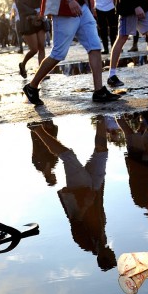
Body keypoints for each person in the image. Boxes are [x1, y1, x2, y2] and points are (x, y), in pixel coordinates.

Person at [22, 0, 121, 105]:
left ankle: (99, 91)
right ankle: (32, 87)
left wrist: (84, 4)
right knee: (58, 54)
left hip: (81, 7)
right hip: (65, 7)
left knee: (95, 46)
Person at [28, 116, 117, 271]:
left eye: (111, 256)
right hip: (95, 190)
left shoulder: (85, 243)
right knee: (102, 152)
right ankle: (101, 119)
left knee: (68, 156)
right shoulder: (102, 239)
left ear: (102, 258)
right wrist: (98, 191)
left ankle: (37, 129)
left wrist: (86, 203)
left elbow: (75, 220)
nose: (113, 252)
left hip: (79, 193)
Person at [115, 106, 148, 225]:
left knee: (128, 131)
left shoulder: (140, 201)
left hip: (138, 158)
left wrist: (143, 158)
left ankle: (114, 110)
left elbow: (134, 179)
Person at [15, 0, 46, 78]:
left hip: (40, 19)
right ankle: (22, 65)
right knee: (34, 49)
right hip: (28, 21)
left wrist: (43, 11)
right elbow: (20, 5)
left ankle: (41, 72)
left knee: (42, 46)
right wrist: (33, 13)